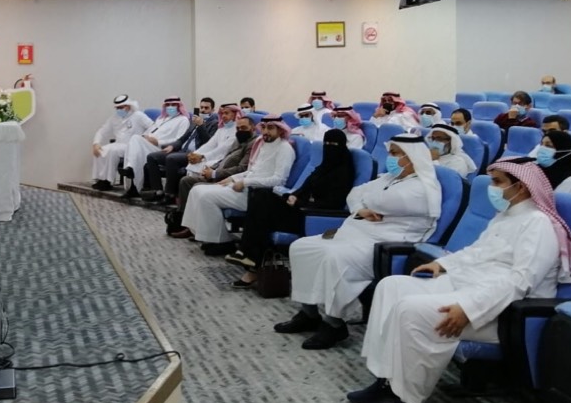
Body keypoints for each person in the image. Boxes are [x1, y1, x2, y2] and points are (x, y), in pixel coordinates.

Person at [349, 159, 571, 403]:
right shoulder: (507, 215)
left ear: (522, 187)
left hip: (501, 312)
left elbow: (520, 282)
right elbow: (477, 252)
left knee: (410, 310)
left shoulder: (538, 224)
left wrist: (468, 309)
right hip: (469, 285)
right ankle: (388, 382)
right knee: (391, 286)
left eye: (498, 182)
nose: (492, 188)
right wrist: (444, 264)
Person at [273, 134, 440, 350]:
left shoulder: (422, 188)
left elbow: (379, 201)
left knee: (335, 258)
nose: (390, 158)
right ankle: (309, 313)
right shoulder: (391, 178)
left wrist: (364, 202)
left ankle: (333, 324)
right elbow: (354, 193)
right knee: (302, 247)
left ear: (412, 156)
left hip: (386, 244)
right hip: (353, 235)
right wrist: (361, 208)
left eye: (395, 153)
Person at [232, 130, 356, 288]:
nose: (329, 147)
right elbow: (305, 187)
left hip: (310, 216)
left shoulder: (344, 172)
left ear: (342, 146)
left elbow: (332, 204)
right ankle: (248, 257)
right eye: (326, 144)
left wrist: (300, 203)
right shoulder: (323, 167)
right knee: (261, 196)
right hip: (299, 208)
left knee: (263, 214)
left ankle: (249, 259)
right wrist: (292, 196)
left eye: (333, 144)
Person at [177, 116, 295, 256]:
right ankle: (206, 236)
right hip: (244, 186)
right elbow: (251, 171)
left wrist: (244, 182)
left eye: (270, 128)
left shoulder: (284, 149)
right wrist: (232, 178)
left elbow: (279, 180)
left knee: (206, 197)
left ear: (280, 130)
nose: (265, 132)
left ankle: (223, 241)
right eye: (263, 127)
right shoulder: (263, 145)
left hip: (258, 195)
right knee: (197, 190)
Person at [140, 98, 218, 199]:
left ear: (212, 110)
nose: (203, 110)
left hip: (195, 154)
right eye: (201, 107)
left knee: (171, 158)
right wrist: (172, 146)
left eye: (206, 108)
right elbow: (182, 138)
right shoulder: (193, 121)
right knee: (152, 157)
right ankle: (157, 190)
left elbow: (208, 143)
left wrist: (201, 126)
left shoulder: (214, 123)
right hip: (182, 151)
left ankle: (170, 193)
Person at [174, 116, 255, 210]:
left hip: (226, 179)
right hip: (217, 173)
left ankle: (191, 213)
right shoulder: (238, 140)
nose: (240, 130)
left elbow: (242, 168)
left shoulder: (252, 144)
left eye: (244, 128)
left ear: (253, 128)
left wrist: (214, 173)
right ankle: (183, 213)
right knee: (186, 180)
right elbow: (225, 157)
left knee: (196, 186)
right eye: (238, 128)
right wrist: (212, 168)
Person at [122, 97, 190, 195]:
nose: (170, 107)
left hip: (163, 148)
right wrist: (145, 137)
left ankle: (130, 169)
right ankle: (133, 180)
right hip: (149, 144)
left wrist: (158, 142)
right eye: (168, 105)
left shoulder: (183, 120)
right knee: (136, 140)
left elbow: (179, 140)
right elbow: (150, 131)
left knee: (136, 141)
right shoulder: (160, 119)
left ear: (178, 106)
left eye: (173, 105)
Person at [91, 95, 153, 190]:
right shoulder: (114, 118)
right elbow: (102, 131)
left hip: (132, 146)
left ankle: (108, 181)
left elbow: (152, 126)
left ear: (128, 106)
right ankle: (101, 179)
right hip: (118, 144)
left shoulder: (138, 115)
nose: (119, 110)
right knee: (101, 150)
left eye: (121, 107)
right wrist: (96, 143)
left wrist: (145, 137)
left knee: (112, 151)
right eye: (117, 108)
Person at [535, 130, 571, 196]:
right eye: (541, 144)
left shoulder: (570, 181)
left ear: (563, 151)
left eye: (548, 145)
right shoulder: (536, 168)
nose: (542, 149)